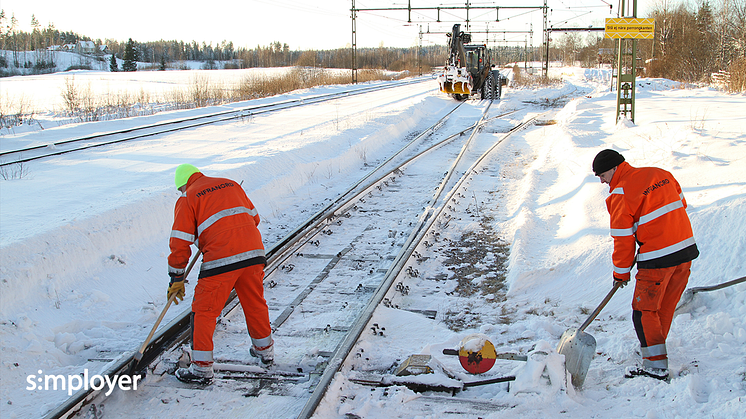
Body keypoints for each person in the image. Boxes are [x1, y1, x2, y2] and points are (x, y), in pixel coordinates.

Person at [592, 149, 699, 381]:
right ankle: (652, 351)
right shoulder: (660, 174)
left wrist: (620, 273)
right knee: (664, 307)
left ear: (614, 168)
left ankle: (655, 367)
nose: (601, 180)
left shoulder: (620, 193)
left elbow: (623, 239)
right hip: (685, 251)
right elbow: (682, 204)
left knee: (644, 311)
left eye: (601, 175)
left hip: (658, 258)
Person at [167, 164, 274, 384]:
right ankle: (265, 352)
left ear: (183, 184)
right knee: (254, 302)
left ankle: (201, 369)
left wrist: (177, 277)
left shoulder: (188, 197)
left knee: (204, 311)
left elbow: (180, 241)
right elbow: (254, 218)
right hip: (253, 252)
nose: (181, 193)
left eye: (180, 189)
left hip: (221, 259)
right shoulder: (230, 184)